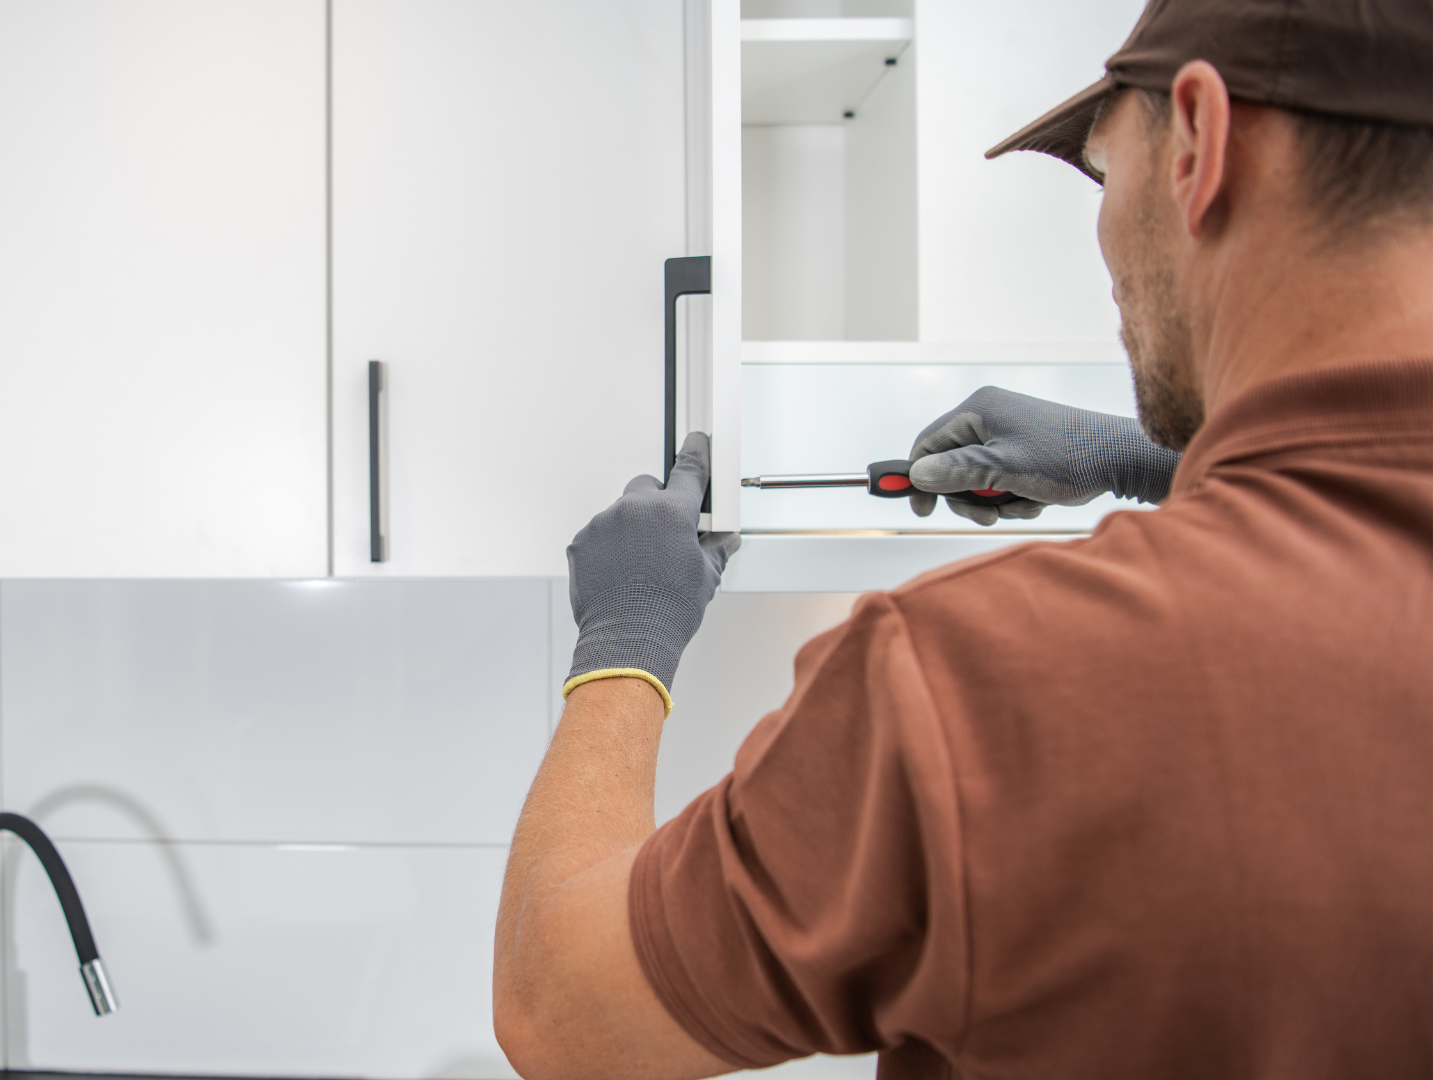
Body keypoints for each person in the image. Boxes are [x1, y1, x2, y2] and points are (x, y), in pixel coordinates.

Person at [491, 0, 1433, 1076]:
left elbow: (559, 1008)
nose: (1107, 234)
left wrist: (623, 643)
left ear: (1200, 144)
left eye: (1101, 165)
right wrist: (1157, 464)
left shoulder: (984, 682)